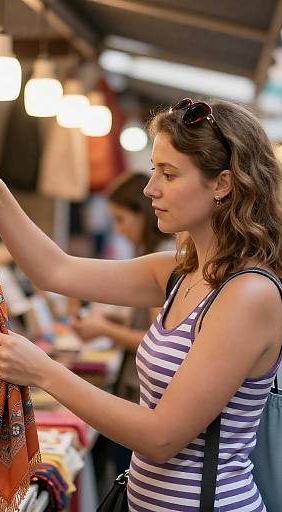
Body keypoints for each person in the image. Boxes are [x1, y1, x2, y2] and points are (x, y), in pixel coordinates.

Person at [0, 97, 282, 511]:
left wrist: (44, 372)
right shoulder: (179, 273)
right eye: (154, 170)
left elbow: (161, 437)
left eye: (169, 174)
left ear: (223, 184)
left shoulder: (247, 295)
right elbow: (55, 271)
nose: (150, 188)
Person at [72, 172, 174, 478]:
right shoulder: (154, 253)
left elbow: (157, 339)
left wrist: (105, 330)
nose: (118, 229)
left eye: (121, 219)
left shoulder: (164, 258)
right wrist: (116, 319)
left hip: (142, 398)